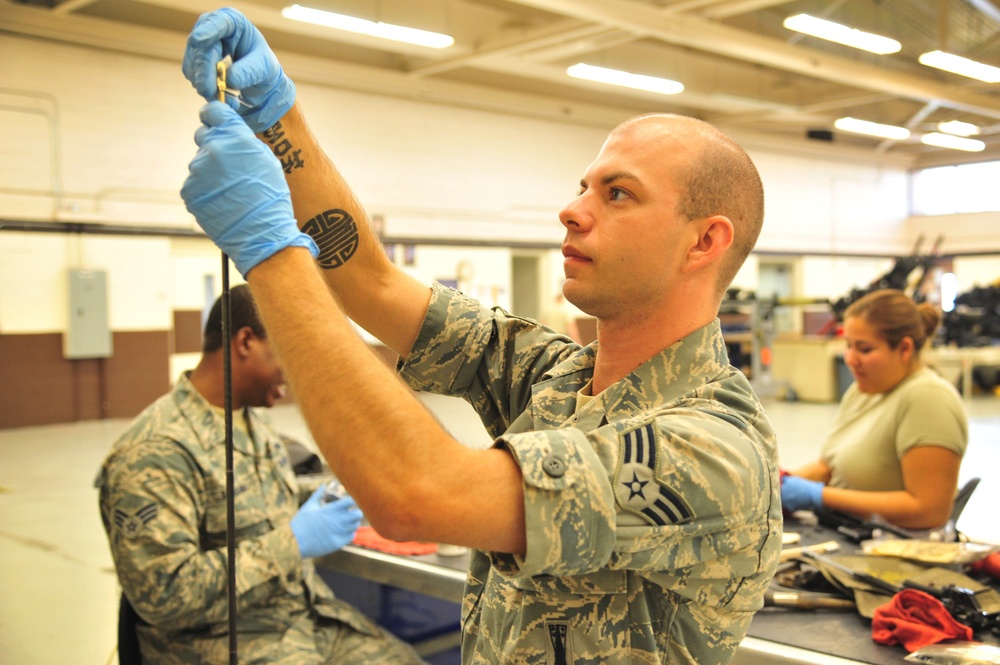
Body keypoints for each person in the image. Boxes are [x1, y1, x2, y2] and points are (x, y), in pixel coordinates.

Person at [179, 9, 783, 664]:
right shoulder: (554, 375)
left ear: (704, 241)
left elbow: (417, 494)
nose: (572, 209)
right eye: (584, 186)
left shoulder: (714, 450)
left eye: (618, 194)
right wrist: (278, 117)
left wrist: (271, 254)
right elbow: (371, 282)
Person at [97, 284, 427, 665]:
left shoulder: (254, 424)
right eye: (286, 354)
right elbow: (166, 595)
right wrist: (293, 541)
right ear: (245, 342)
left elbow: (260, 507)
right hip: (222, 642)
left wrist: (331, 495)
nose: (293, 374)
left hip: (305, 619)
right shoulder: (155, 452)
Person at [781, 289, 968, 531]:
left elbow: (929, 511)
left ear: (904, 349)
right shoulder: (863, 391)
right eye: (848, 345)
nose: (850, 358)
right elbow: (830, 467)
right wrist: (780, 484)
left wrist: (820, 496)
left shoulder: (929, 398)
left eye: (864, 349)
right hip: (846, 532)